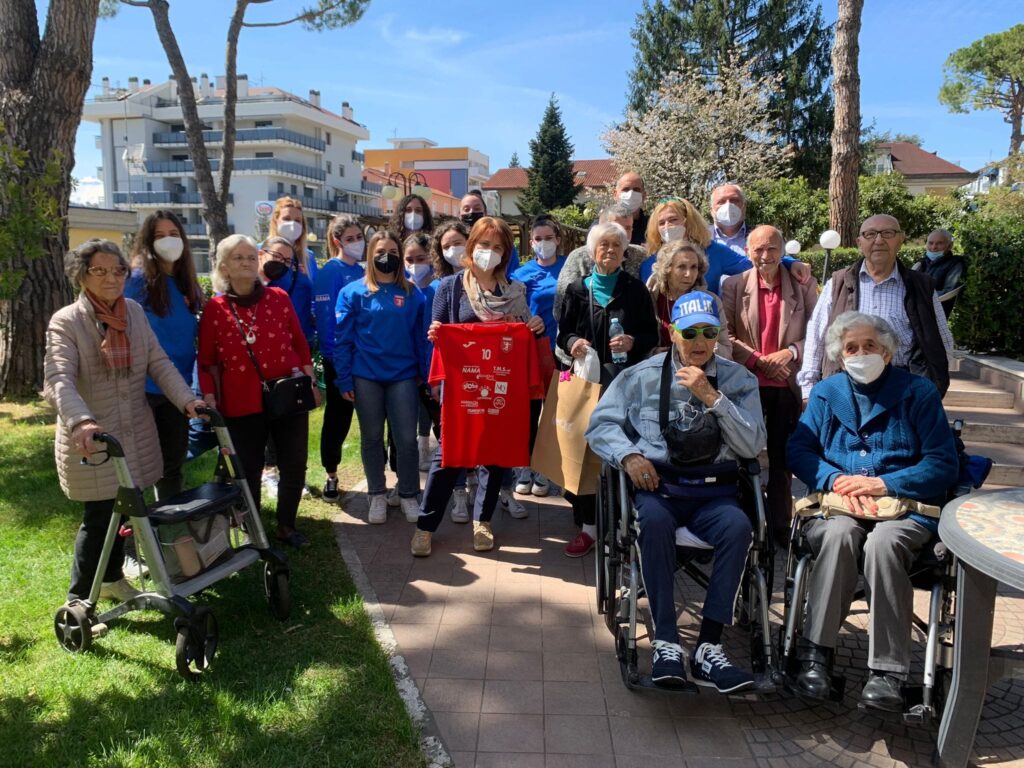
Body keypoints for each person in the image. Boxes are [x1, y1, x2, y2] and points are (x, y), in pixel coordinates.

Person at [586, 291, 766, 692]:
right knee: (650, 521)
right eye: (690, 332)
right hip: (660, 488)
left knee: (739, 528)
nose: (700, 342)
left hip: (714, 492)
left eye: (709, 332)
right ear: (673, 332)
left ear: (719, 335)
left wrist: (713, 398)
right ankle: (666, 640)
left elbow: (753, 444)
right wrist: (629, 456)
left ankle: (708, 648)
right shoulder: (641, 375)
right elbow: (600, 425)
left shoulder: (739, 380)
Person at [786, 312, 958, 712]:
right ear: (840, 356)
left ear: (887, 350)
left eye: (870, 346)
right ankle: (816, 657)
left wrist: (885, 484)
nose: (861, 353)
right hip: (841, 505)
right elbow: (799, 450)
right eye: (851, 348)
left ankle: (888, 673)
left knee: (883, 544)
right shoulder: (828, 393)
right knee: (838, 535)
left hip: (903, 510)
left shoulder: (919, 393)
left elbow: (942, 462)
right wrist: (834, 479)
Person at [45, 239, 205, 603]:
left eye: (117, 270)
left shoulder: (132, 311)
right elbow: (58, 378)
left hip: (135, 433)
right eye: (99, 271)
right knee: (101, 516)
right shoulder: (67, 321)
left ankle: (112, 579)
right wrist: (81, 421)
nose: (111, 278)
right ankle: (79, 599)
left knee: (125, 513)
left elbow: (158, 363)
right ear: (81, 276)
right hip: (94, 439)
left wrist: (187, 400)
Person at [411, 217, 546, 557]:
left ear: (506, 253)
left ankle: (482, 520)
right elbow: (438, 331)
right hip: (462, 389)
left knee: (494, 456)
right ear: (472, 247)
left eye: (497, 247)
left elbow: (524, 336)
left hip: (501, 388)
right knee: (448, 458)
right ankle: (426, 526)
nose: (489, 252)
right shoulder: (451, 287)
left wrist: (535, 326)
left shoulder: (514, 291)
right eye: (484, 245)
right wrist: (437, 336)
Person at [197, 234, 319, 548]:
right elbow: (207, 361)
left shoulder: (279, 297)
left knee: (294, 462)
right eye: (238, 257)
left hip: (288, 394)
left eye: (252, 256)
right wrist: (209, 397)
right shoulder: (215, 308)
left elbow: (300, 343)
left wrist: (312, 382)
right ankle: (253, 530)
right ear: (224, 266)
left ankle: (286, 527)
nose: (247, 262)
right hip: (240, 402)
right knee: (248, 469)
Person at [557, 222, 659, 557]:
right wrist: (573, 343)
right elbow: (563, 334)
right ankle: (587, 528)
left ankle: (622, 523)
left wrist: (633, 341)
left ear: (624, 253)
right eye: (603, 245)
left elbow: (651, 336)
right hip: (586, 385)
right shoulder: (576, 289)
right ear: (591, 251)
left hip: (624, 386)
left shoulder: (635, 290)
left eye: (616, 245)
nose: (609, 251)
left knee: (621, 452)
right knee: (584, 456)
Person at [721, 225, 818, 542]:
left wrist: (789, 354)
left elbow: (818, 331)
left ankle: (777, 526)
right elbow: (726, 334)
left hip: (786, 386)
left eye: (772, 248)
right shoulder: (735, 286)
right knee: (742, 457)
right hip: (746, 384)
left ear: (783, 251)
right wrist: (759, 361)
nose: (765, 255)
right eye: (758, 249)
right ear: (748, 252)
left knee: (781, 460)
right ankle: (746, 522)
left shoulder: (802, 285)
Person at [797, 214, 955, 400]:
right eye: (870, 234)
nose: (879, 240)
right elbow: (816, 337)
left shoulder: (921, 286)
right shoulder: (838, 283)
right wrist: (808, 392)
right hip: (845, 391)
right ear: (859, 242)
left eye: (887, 233)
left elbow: (943, 341)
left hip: (903, 391)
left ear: (900, 239)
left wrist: (933, 388)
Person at [335, 230, 426, 525]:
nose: (386, 257)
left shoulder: (412, 293)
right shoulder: (353, 293)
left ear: (399, 257)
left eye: (392, 252)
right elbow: (343, 340)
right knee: (372, 437)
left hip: (403, 376)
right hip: (366, 377)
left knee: (406, 440)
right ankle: (376, 493)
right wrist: (345, 379)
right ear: (370, 255)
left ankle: (409, 494)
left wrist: (424, 374)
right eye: (379, 252)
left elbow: (421, 338)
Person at [125, 210, 203, 499]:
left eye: (173, 234)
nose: (168, 241)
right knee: (138, 467)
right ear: (147, 242)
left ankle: (170, 530)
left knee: (172, 464)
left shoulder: (187, 283)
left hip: (178, 387)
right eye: (159, 236)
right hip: (143, 388)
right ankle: (134, 531)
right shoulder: (137, 280)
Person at [263, 196, 317, 498]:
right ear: (275, 219)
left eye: (298, 218)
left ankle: (293, 475)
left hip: (300, 346)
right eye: (287, 217)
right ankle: (268, 472)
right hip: (268, 349)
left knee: (295, 411)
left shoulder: (307, 259)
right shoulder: (266, 255)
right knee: (271, 411)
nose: (293, 223)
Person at [510, 214, 567, 498]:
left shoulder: (570, 267)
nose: (544, 243)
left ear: (558, 239)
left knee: (555, 411)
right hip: (530, 350)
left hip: (563, 351)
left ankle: (545, 468)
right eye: (538, 239)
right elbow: (511, 310)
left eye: (549, 238)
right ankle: (524, 466)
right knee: (529, 412)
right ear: (531, 243)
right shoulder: (521, 274)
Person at [640, 198, 810, 292]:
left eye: (673, 219)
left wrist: (789, 261)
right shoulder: (650, 264)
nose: (667, 226)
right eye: (661, 223)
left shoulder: (714, 251)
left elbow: (755, 262)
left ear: (688, 221)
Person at [314, 214, 366, 502]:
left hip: (367, 359)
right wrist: (337, 361)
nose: (357, 243)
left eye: (360, 237)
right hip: (341, 361)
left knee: (372, 421)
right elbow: (327, 322)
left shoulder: (362, 270)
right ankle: (331, 474)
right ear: (337, 242)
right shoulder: (330, 273)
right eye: (350, 239)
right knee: (338, 419)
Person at [425, 221, 472, 522]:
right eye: (447, 246)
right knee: (450, 445)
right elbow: (437, 338)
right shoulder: (443, 286)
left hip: (486, 376)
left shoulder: (501, 283)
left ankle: (486, 505)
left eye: (459, 242)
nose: (454, 249)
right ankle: (439, 510)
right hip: (455, 376)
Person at [554, 203, 647, 327]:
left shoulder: (640, 255)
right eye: (616, 227)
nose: (622, 233)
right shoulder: (578, 257)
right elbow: (561, 307)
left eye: (628, 228)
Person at [403, 231, 440, 471]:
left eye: (421, 258)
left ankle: (462, 477)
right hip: (407, 367)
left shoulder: (439, 288)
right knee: (405, 422)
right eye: (410, 259)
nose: (415, 265)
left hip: (434, 368)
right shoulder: (402, 290)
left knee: (440, 421)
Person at [459, 190, 520, 273]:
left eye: (477, 209)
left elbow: (513, 272)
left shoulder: (501, 239)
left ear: (485, 213)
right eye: (466, 209)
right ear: (459, 215)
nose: (471, 212)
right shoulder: (455, 241)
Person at [912, 228, 966, 318]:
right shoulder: (921, 263)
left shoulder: (955, 264)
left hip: (935, 316)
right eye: (930, 243)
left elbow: (948, 292)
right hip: (913, 314)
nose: (934, 247)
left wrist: (920, 296)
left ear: (950, 246)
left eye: (939, 243)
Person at [709, 184, 749, 256]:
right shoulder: (699, 238)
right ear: (712, 211)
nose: (728, 205)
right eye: (721, 202)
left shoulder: (759, 235)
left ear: (744, 207)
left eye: (734, 200)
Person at [612, 171, 649, 246]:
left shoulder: (653, 225)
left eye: (636, 190)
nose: (631, 194)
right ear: (615, 194)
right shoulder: (602, 225)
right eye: (626, 189)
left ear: (644, 195)